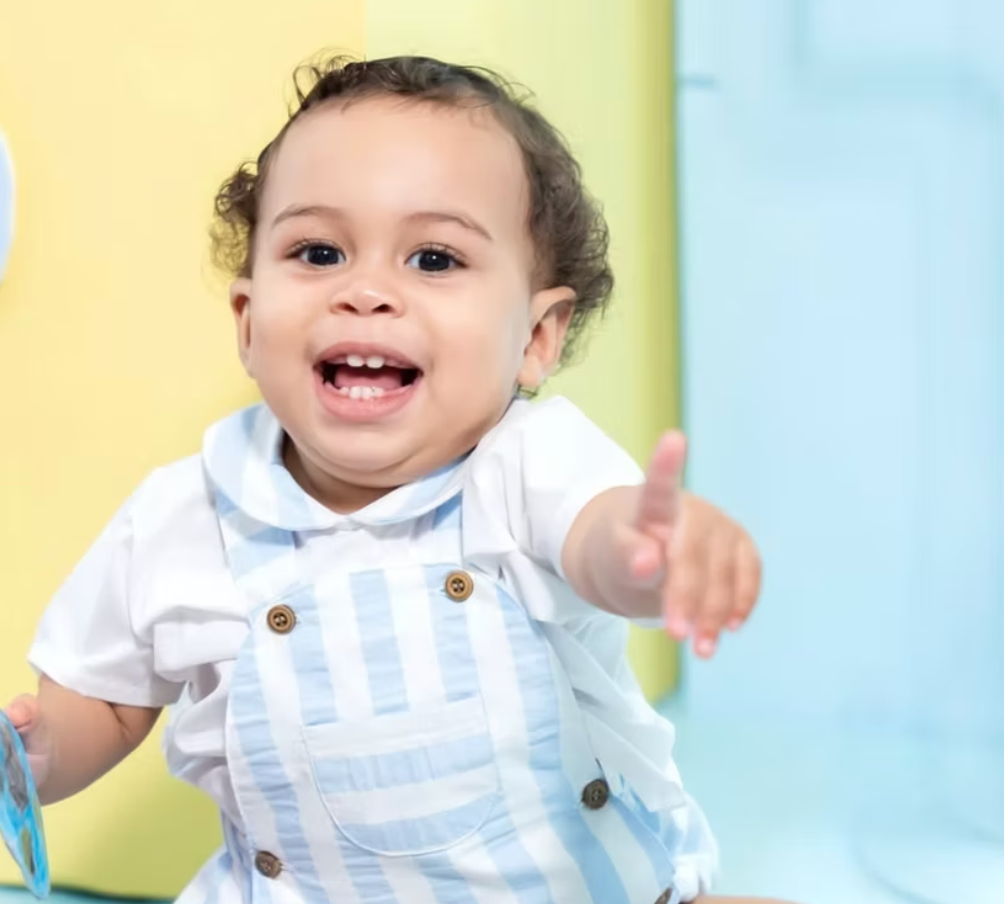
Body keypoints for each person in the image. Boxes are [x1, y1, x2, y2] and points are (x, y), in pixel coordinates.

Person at [5, 55, 789, 904]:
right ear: (249, 320)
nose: (367, 291)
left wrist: (649, 553)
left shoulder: (526, 465)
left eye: (434, 259)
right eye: (318, 252)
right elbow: (107, 704)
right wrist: (34, 758)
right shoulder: (182, 515)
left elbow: (596, 539)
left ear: (536, 337)